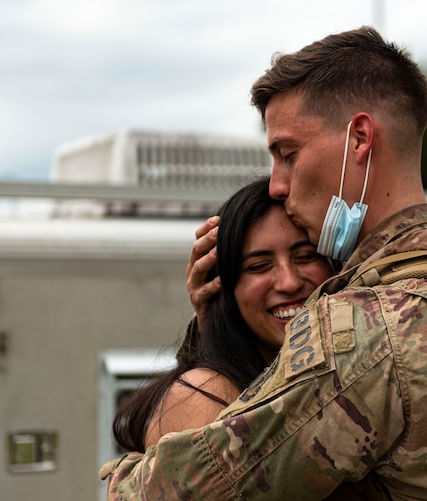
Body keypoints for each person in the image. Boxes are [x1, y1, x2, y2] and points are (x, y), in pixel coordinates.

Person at [102, 26, 427, 500]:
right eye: (257, 265)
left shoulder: (363, 331)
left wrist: (129, 470)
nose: (278, 185)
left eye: (288, 154)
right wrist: (218, 328)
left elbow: (156, 494)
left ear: (361, 138)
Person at [112, 177, 335, 453]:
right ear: (224, 289)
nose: (288, 282)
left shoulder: (352, 369)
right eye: (259, 266)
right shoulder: (203, 396)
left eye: (306, 256)